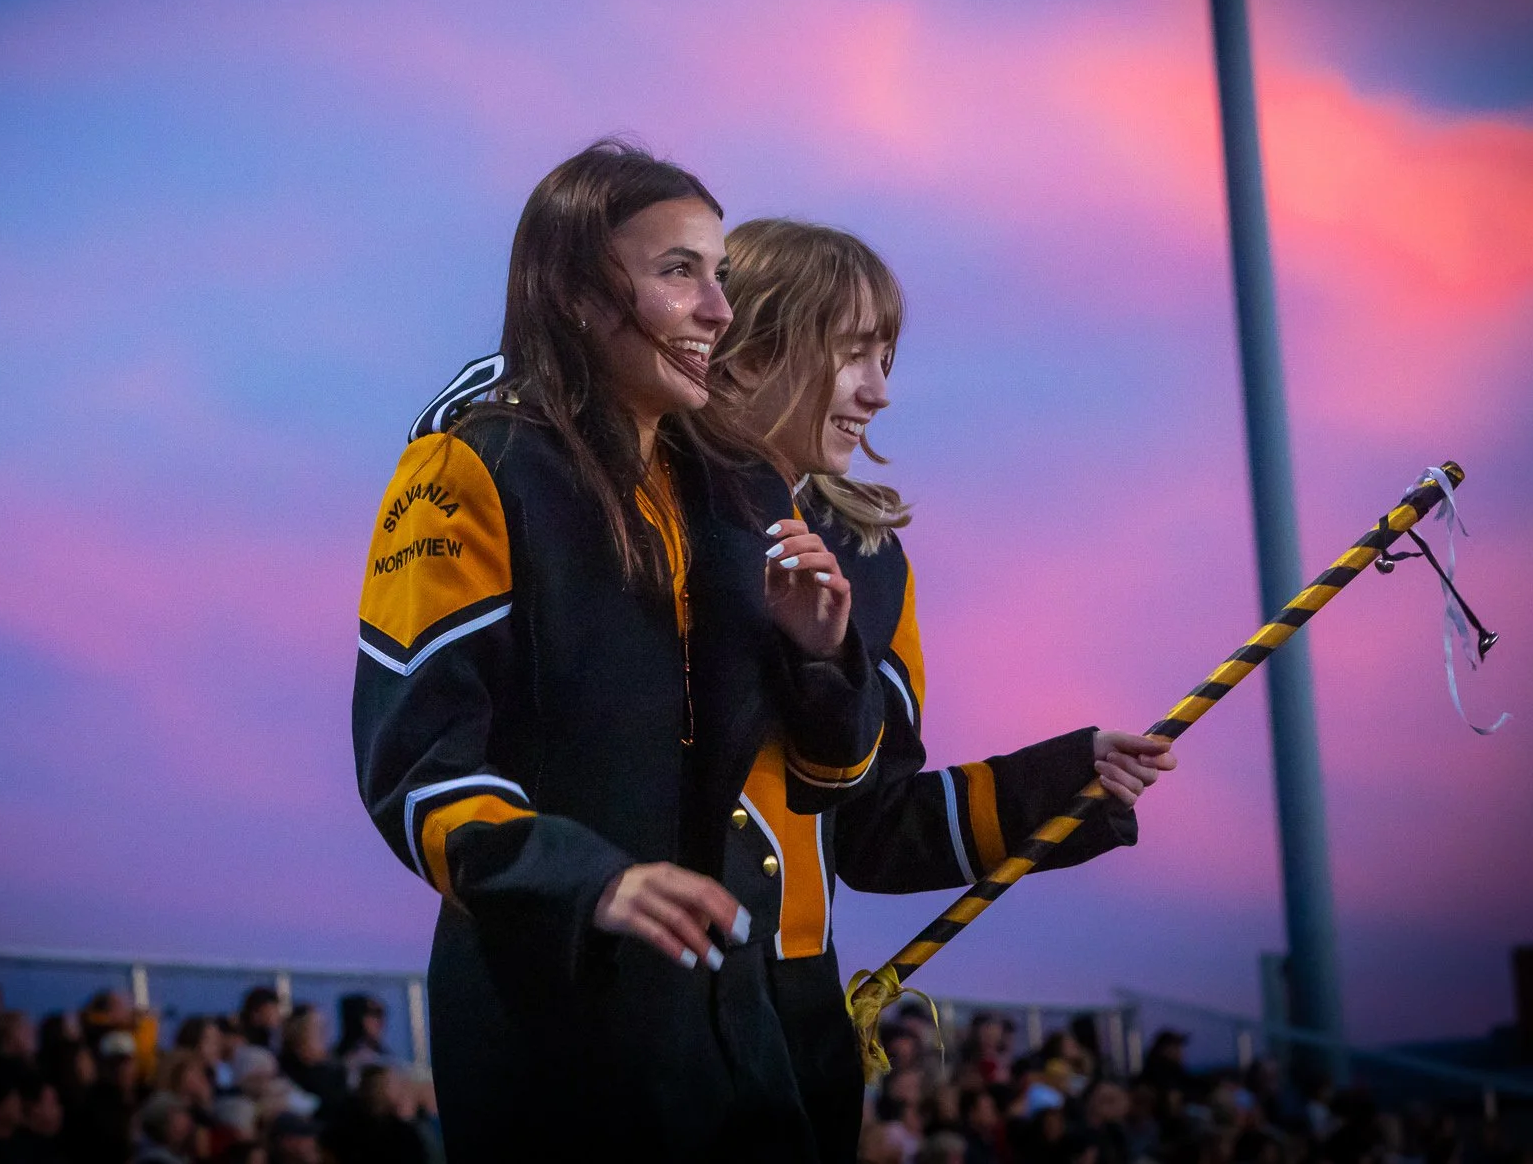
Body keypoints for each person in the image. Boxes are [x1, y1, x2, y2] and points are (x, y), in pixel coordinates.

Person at [355, 141, 887, 1161]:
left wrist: (823, 658)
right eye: (677, 270)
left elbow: (831, 780)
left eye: (718, 275)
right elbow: (416, 774)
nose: (717, 312)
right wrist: (587, 880)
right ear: (577, 293)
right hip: (550, 1028)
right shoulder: (469, 467)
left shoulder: (741, 497)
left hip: (740, 1031)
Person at [707, 218, 1178, 1159]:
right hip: (623, 1018)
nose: (879, 392)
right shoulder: (623, 512)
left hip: (795, 1027)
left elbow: (874, 831)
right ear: (749, 346)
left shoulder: (873, 562)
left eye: (887, 358)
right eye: (853, 355)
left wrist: (1063, 782)